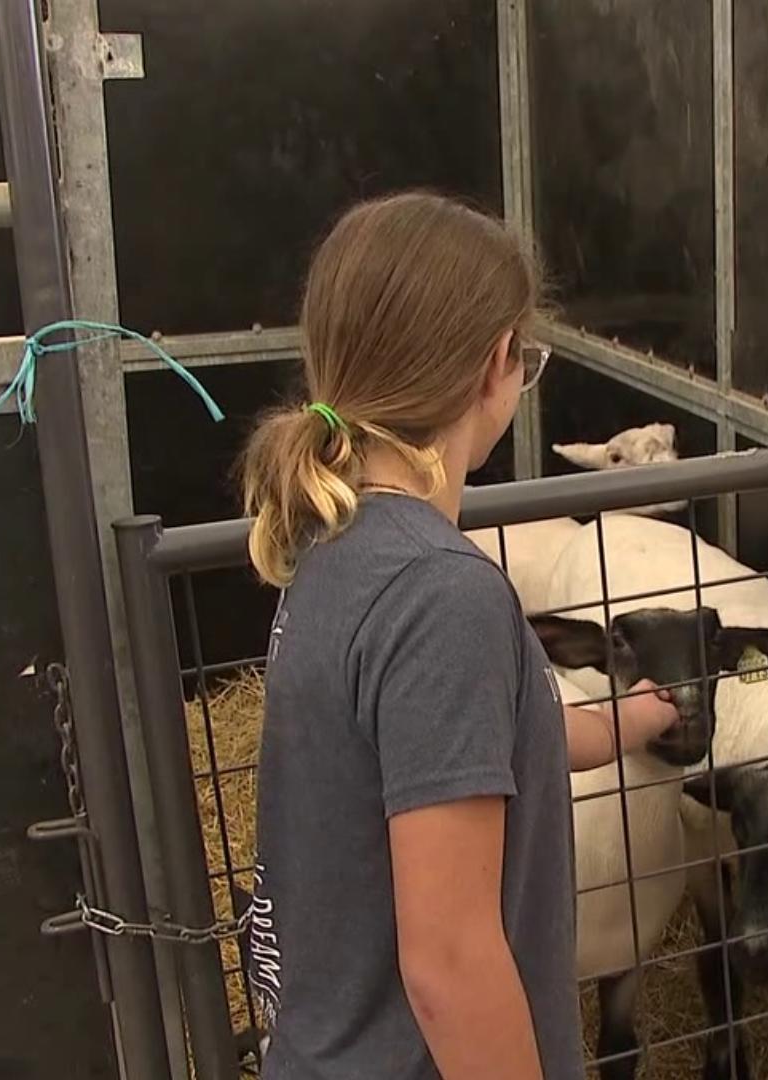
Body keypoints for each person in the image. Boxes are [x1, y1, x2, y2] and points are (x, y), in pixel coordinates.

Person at [234, 191, 681, 1080]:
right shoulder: (445, 597)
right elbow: (448, 966)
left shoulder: (333, 543)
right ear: (497, 366)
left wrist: (630, 719)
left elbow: (463, 751)